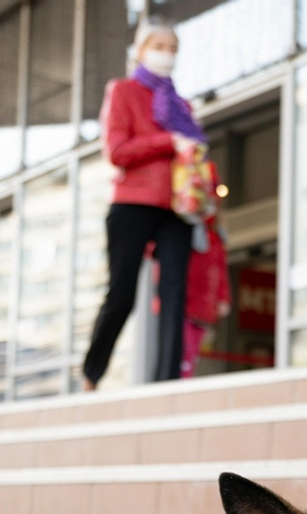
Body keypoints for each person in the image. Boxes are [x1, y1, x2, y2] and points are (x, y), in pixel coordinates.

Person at [81, 19, 205, 391]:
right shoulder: (123, 91)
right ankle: (92, 373)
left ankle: (167, 385)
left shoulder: (182, 105)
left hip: (176, 209)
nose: (166, 55)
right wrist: (167, 141)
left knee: (174, 295)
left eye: (173, 49)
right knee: (121, 295)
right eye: (160, 46)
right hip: (132, 203)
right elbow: (116, 151)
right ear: (141, 49)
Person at [181, 161, 231, 378]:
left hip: (203, 308)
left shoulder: (216, 237)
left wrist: (223, 298)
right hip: (185, 304)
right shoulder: (183, 230)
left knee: (193, 354)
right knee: (184, 352)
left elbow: (221, 272)